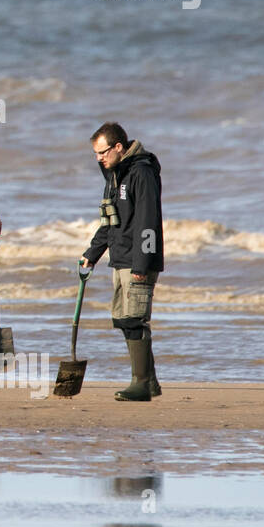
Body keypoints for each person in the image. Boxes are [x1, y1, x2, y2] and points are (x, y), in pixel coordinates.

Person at [81, 122, 164, 401]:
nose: (99, 158)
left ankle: (140, 384)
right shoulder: (114, 175)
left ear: (119, 147)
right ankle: (149, 382)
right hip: (120, 257)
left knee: (134, 319)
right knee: (124, 318)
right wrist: (93, 253)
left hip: (137, 260)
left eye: (102, 152)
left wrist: (142, 264)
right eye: (95, 154)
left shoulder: (142, 172)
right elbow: (110, 220)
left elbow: (148, 221)